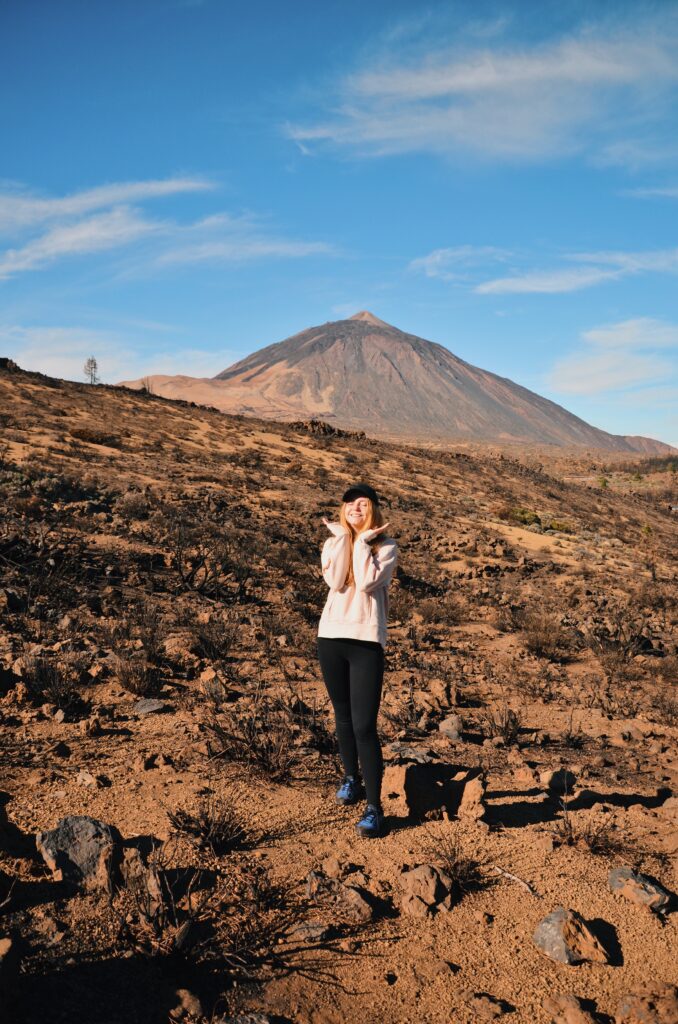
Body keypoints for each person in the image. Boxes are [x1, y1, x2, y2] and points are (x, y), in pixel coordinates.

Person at [317, 482, 398, 838]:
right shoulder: (333, 543)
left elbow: (365, 583)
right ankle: (351, 779)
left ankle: (375, 808)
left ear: (374, 510)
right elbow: (335, 580)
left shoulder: (387, 547)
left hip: (365, 641)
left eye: (363, 504)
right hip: (331, 637)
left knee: (365, 726)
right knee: (343, 716)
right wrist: (344, 541)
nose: (356, 508)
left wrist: (363, 542)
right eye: (350, 503)